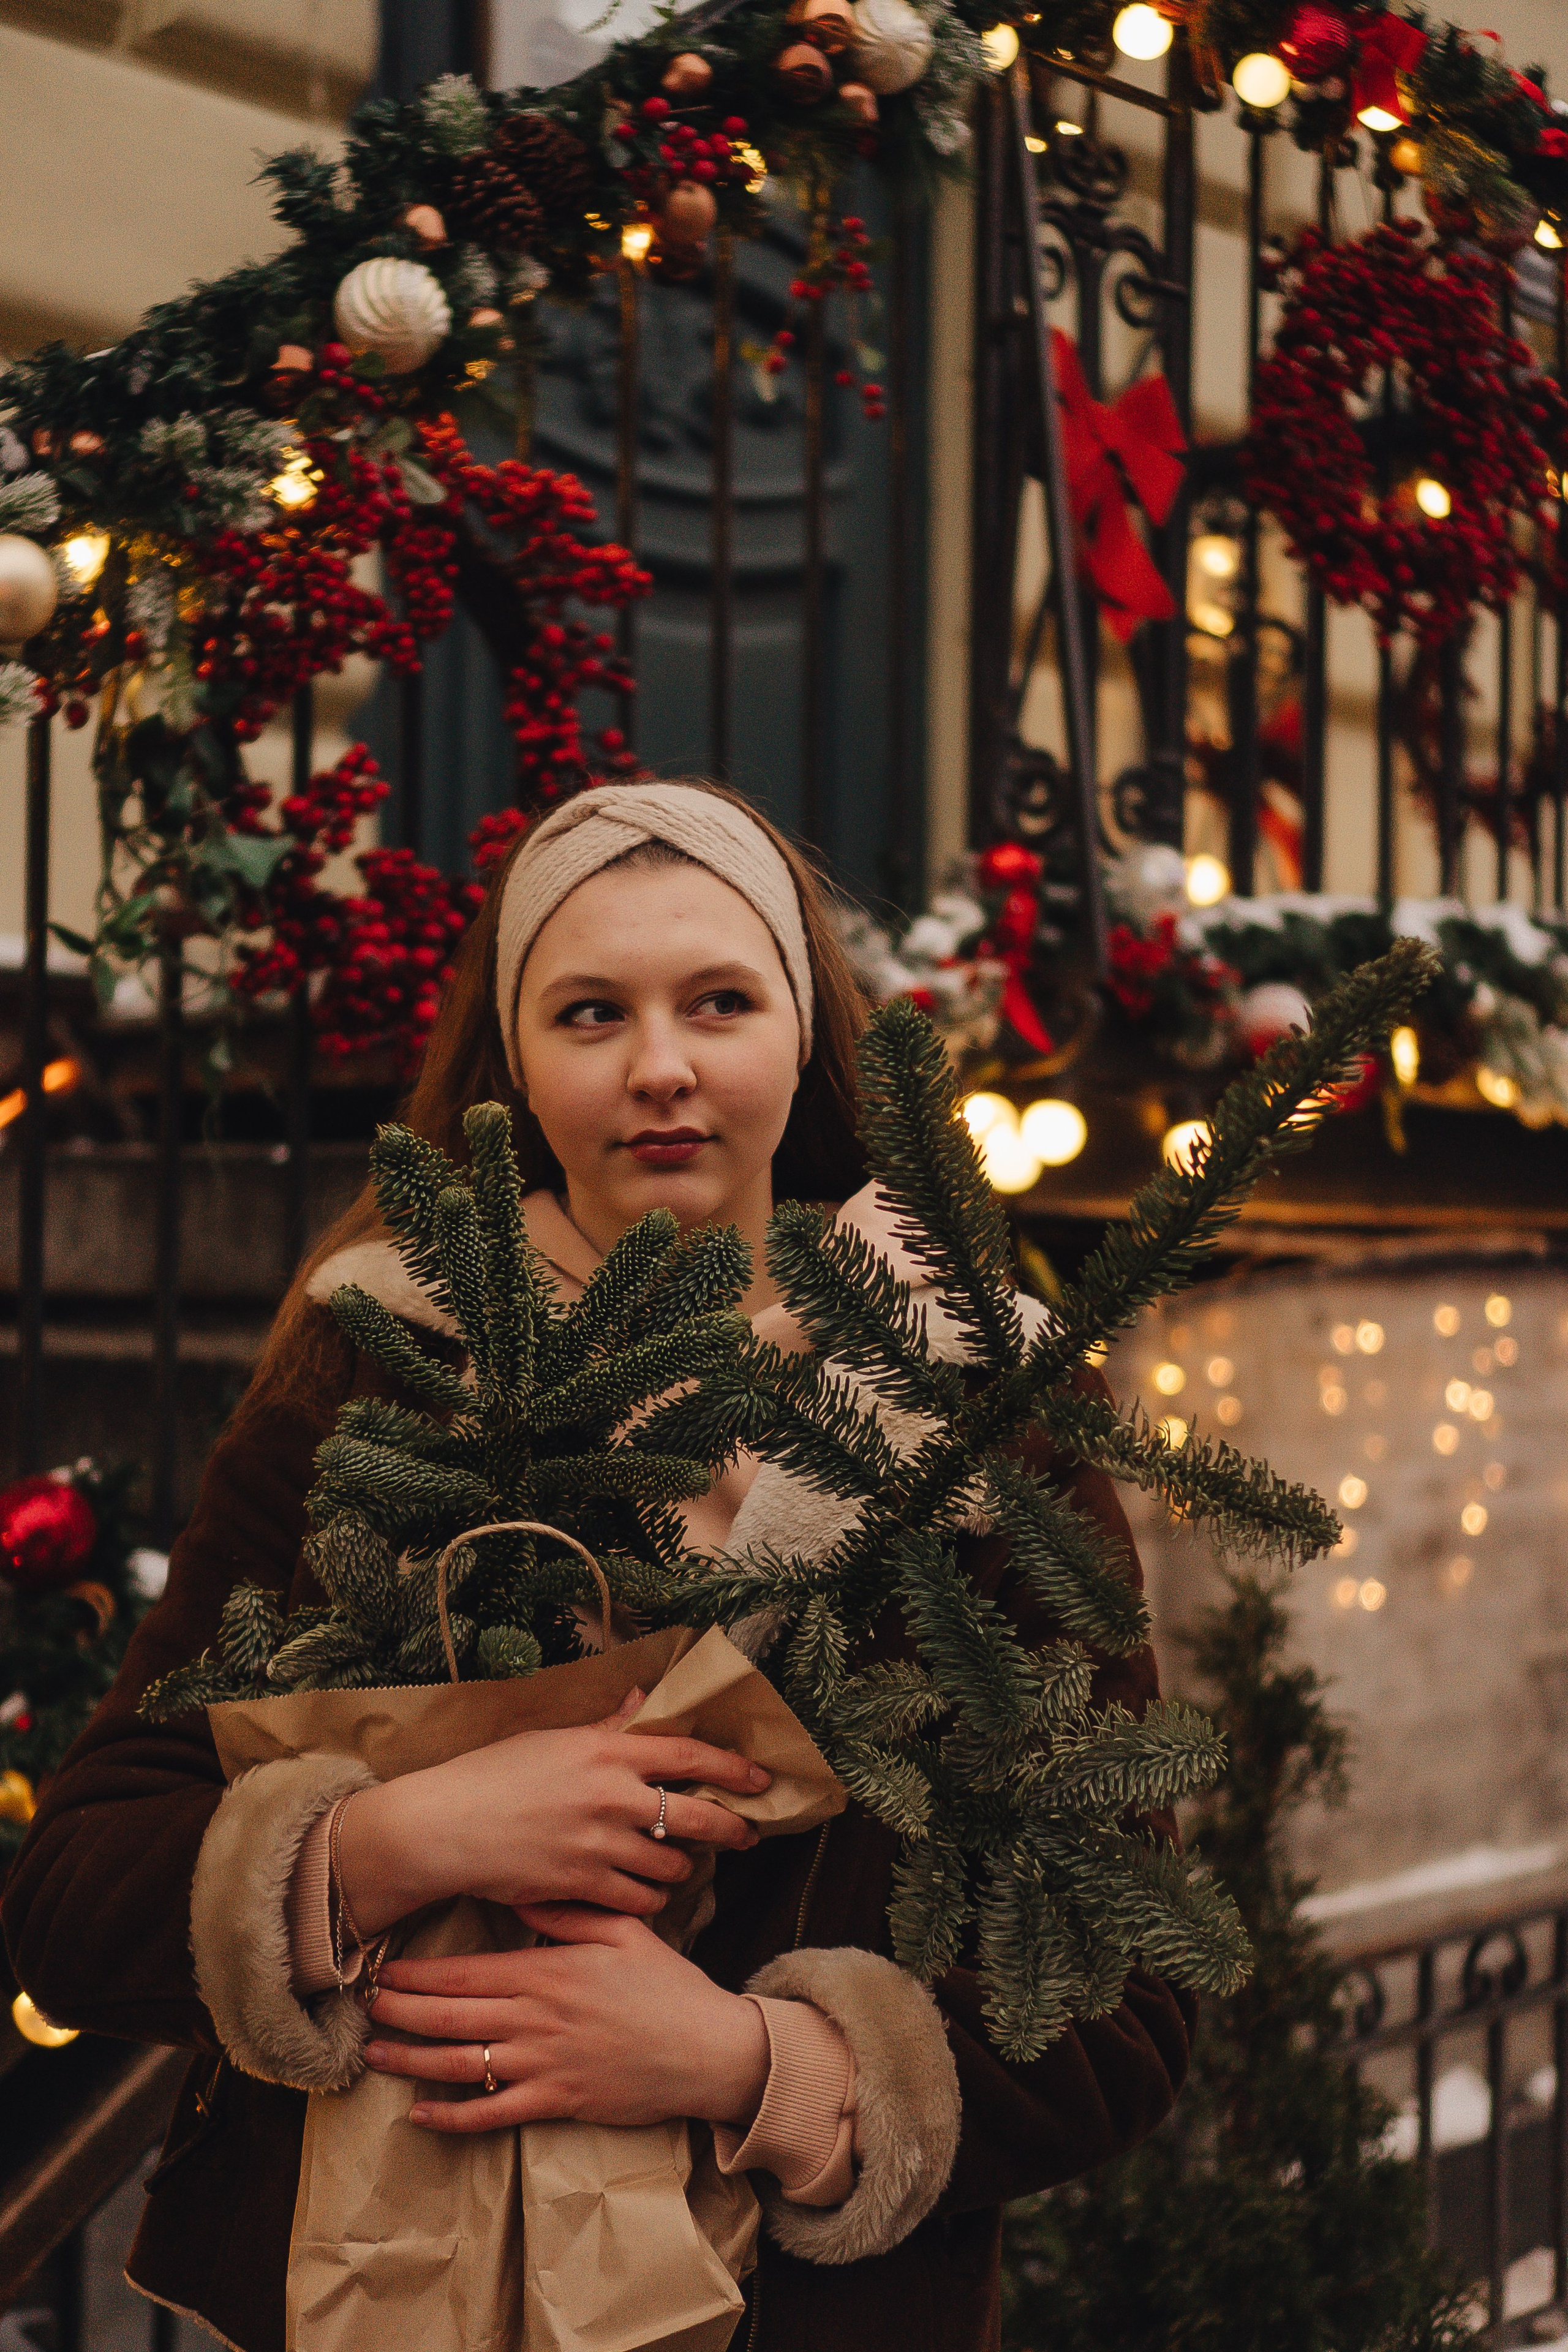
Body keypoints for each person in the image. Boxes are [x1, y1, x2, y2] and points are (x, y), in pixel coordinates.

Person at [3, 781, 1194, 2352]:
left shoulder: (971, 1414)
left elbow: (1126, 1994)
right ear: (513, 1060)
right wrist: (396, 1838)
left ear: (800, 1032)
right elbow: (77, 1896)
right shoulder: (367, 1374)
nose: (660, 1069)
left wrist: (748, 2064)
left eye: (717, 1001)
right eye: (589, 1013)